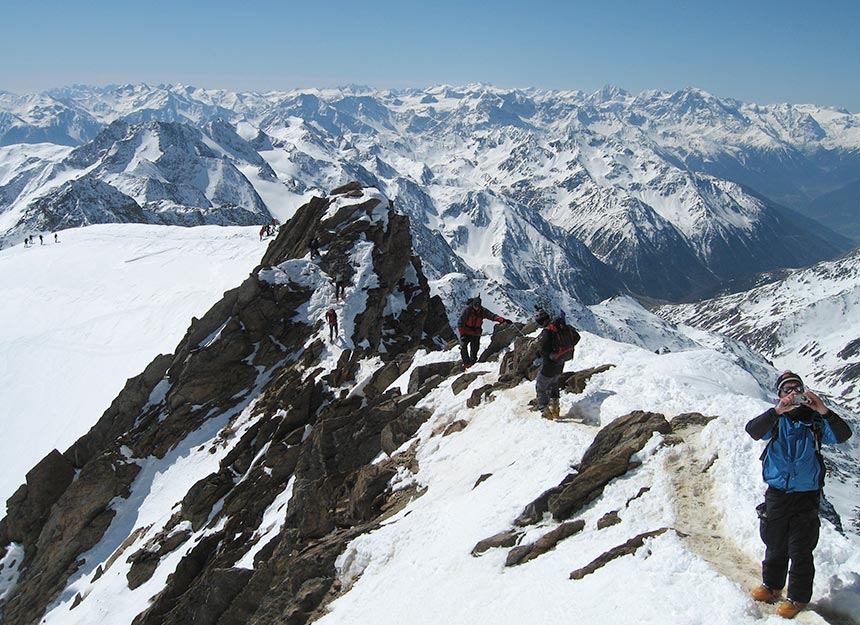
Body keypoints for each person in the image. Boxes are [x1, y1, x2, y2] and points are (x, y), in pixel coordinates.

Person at [745, 371, 852, 619]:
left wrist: (824, 410)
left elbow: (843, 435)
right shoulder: (775, 420)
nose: (792, 394)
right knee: (775, 542)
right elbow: (753, 430)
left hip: (806, 495)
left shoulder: (815, 421)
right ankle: (771, 586)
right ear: (780, 395)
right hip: (778, 492)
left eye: (797, 389)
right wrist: (777, 411)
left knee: (801, 549)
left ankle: (798, 598)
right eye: (786, 390)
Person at [534, 308, 580, 420]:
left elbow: (544, 349)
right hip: (560, 363)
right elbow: (577, 337)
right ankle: (555, 409)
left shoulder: (547, 331)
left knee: (540, 387)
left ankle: (545, 411)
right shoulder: (562, 327)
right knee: (554, 383)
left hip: (549, 364)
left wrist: (539, 353)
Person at [457, 296, 507, 369]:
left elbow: (492, 316)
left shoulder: (482, 311)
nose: (477, 307)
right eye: (475, 306)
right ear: (473, 304)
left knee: (475, 348)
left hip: (476, 332)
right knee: (463, 347)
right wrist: (462, 334)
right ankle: (467, 364)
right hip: (466, 332)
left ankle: (473, 363)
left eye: (478, 306)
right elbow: (460, 324)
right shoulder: (467, 311)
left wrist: (501, 320)